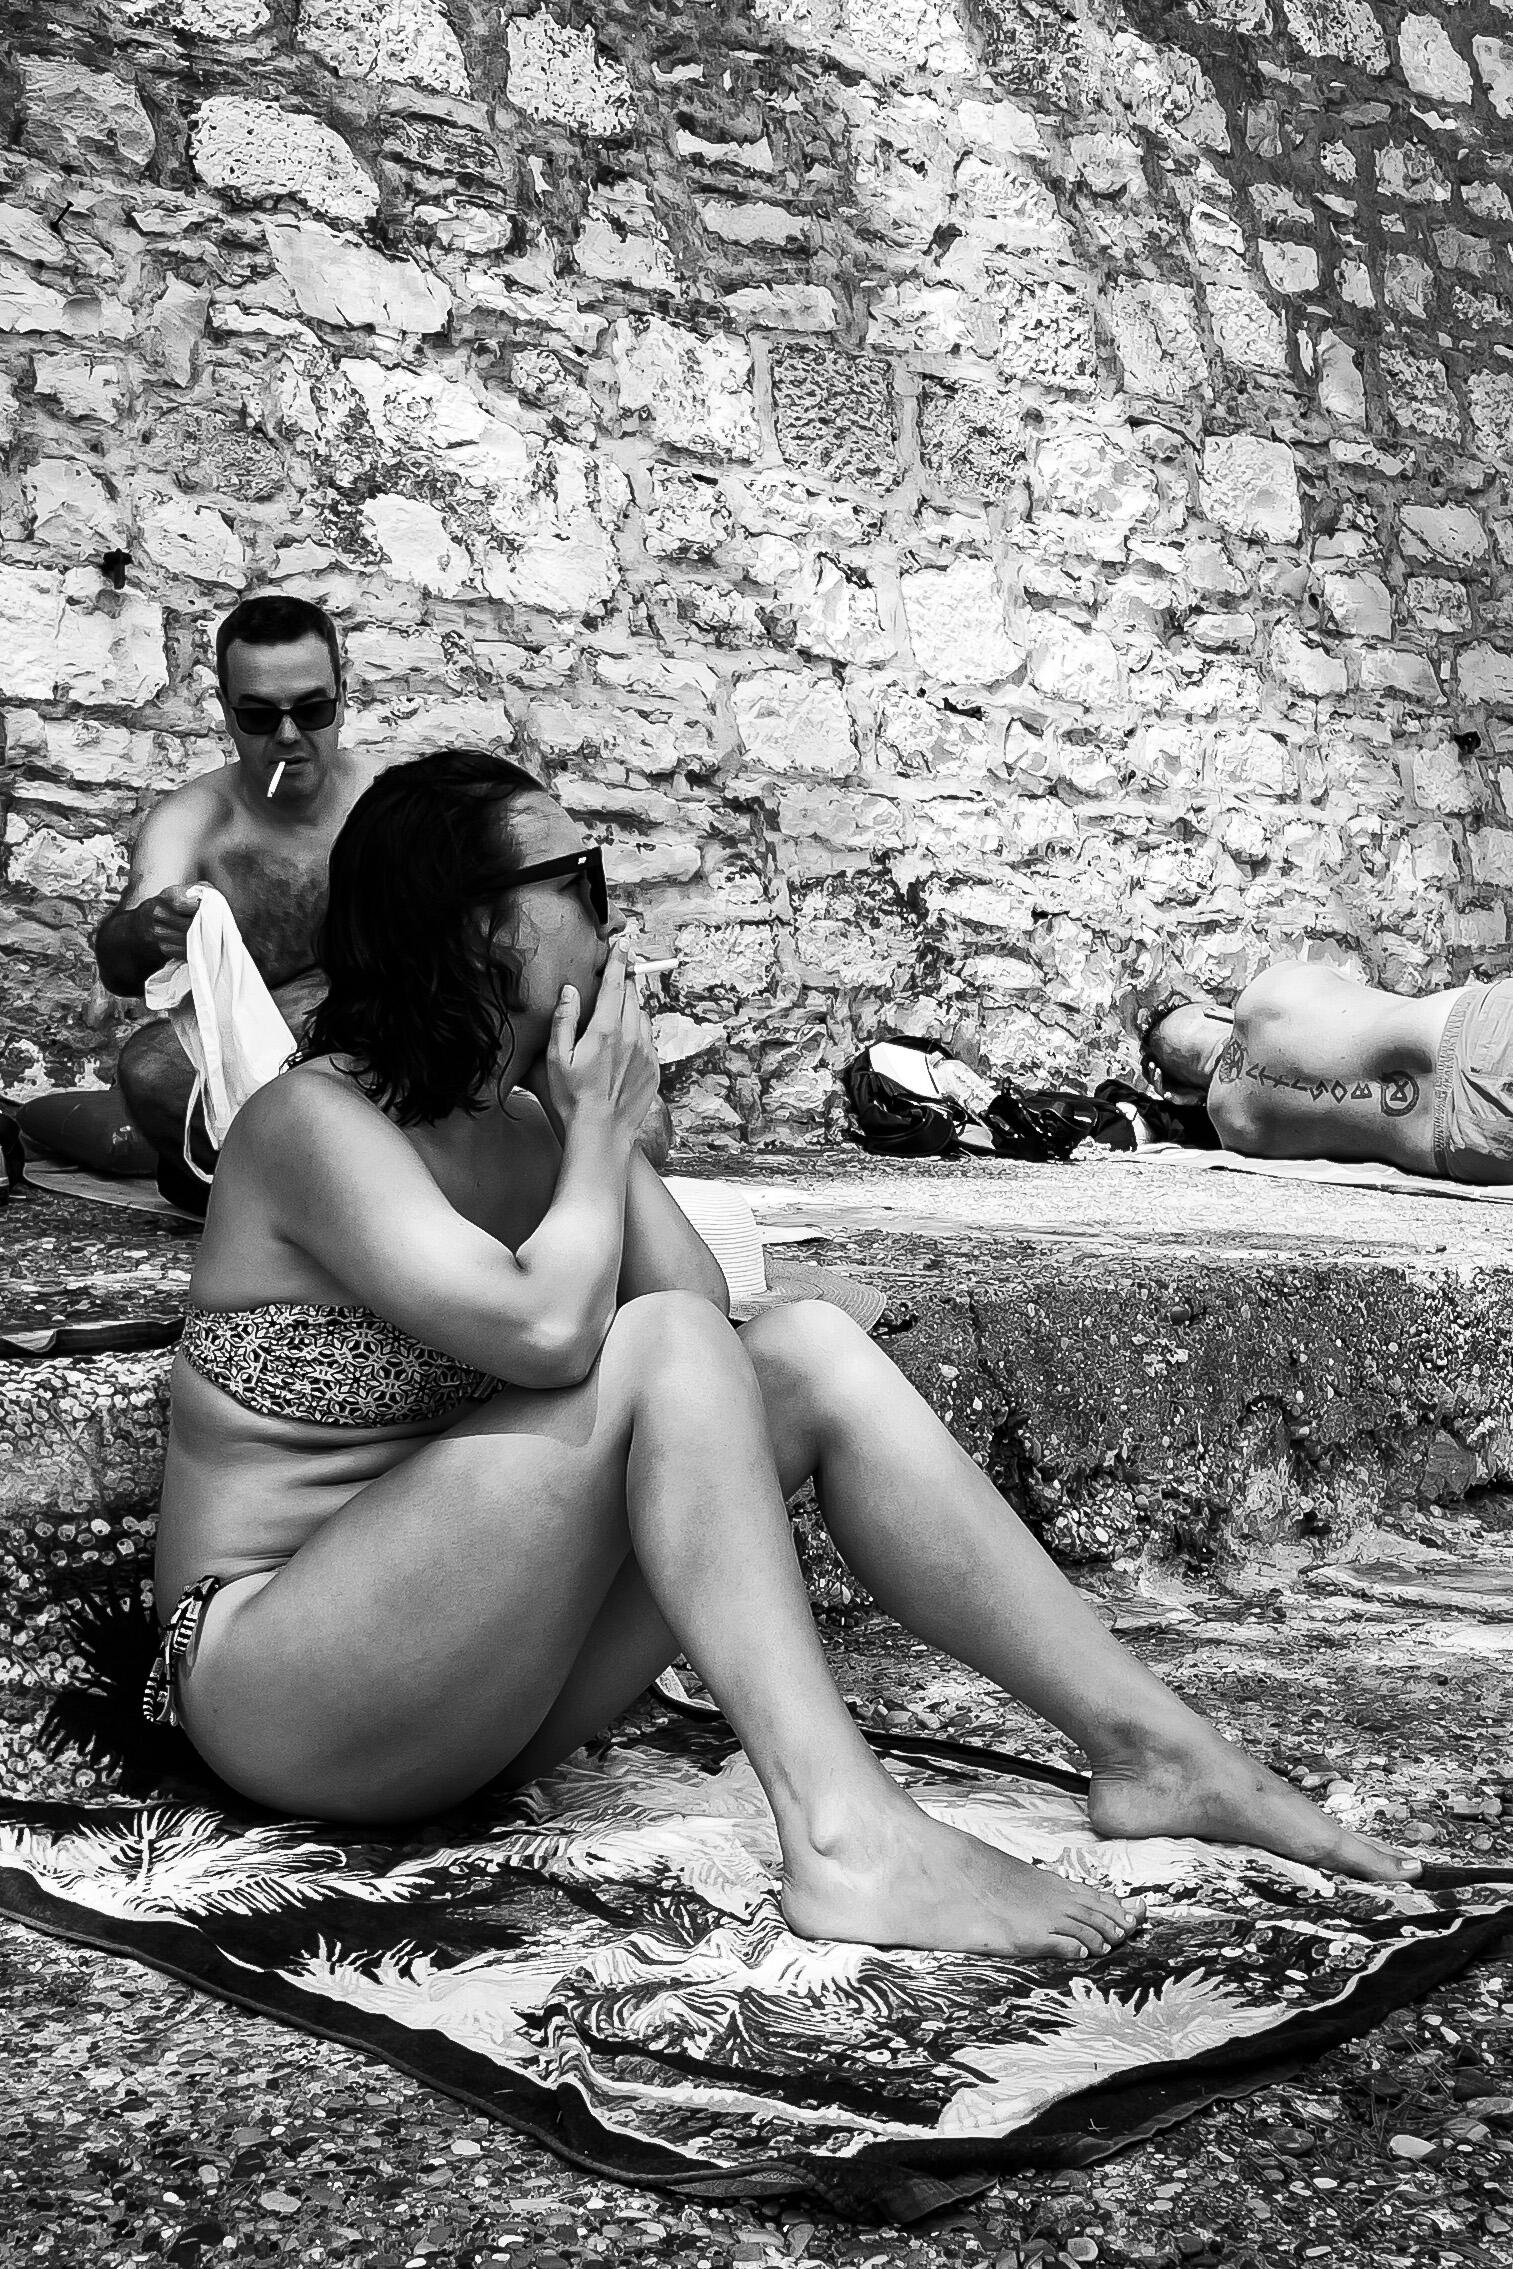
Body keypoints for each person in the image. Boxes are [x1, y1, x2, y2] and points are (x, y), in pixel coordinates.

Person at [149, 750, 1417, 1962]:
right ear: (482, 928)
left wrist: (595, 1131)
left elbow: (698, 1312)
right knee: (664, 1347)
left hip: (472, 1691)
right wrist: (596, 1135)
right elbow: (550, 1331)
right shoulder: (312, 1122)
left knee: (801, 1348)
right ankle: (840, 1834)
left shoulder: (526, 1128)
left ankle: (1150, 1747)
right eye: (582, 884)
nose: (615, 927)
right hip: (286, 1687)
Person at [18, 595, 368, 1210]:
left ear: (342, 697)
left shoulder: (385, 800)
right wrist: (150, 928)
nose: (288, 736)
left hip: (382, 1033)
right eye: (259, 716)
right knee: (150, 1069)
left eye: (312, 710)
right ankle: (273, 1190)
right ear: (226, 712)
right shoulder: (196, 821)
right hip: (258, 1058)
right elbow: (119, 973)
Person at [1141, 961, 1513, 1183]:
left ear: (1181, 1091)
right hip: (1475, 1027)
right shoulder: (1272, 985)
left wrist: (1176, 1098)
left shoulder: (1234, 1128)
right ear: (1216, 1012)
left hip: (1464, 1137)